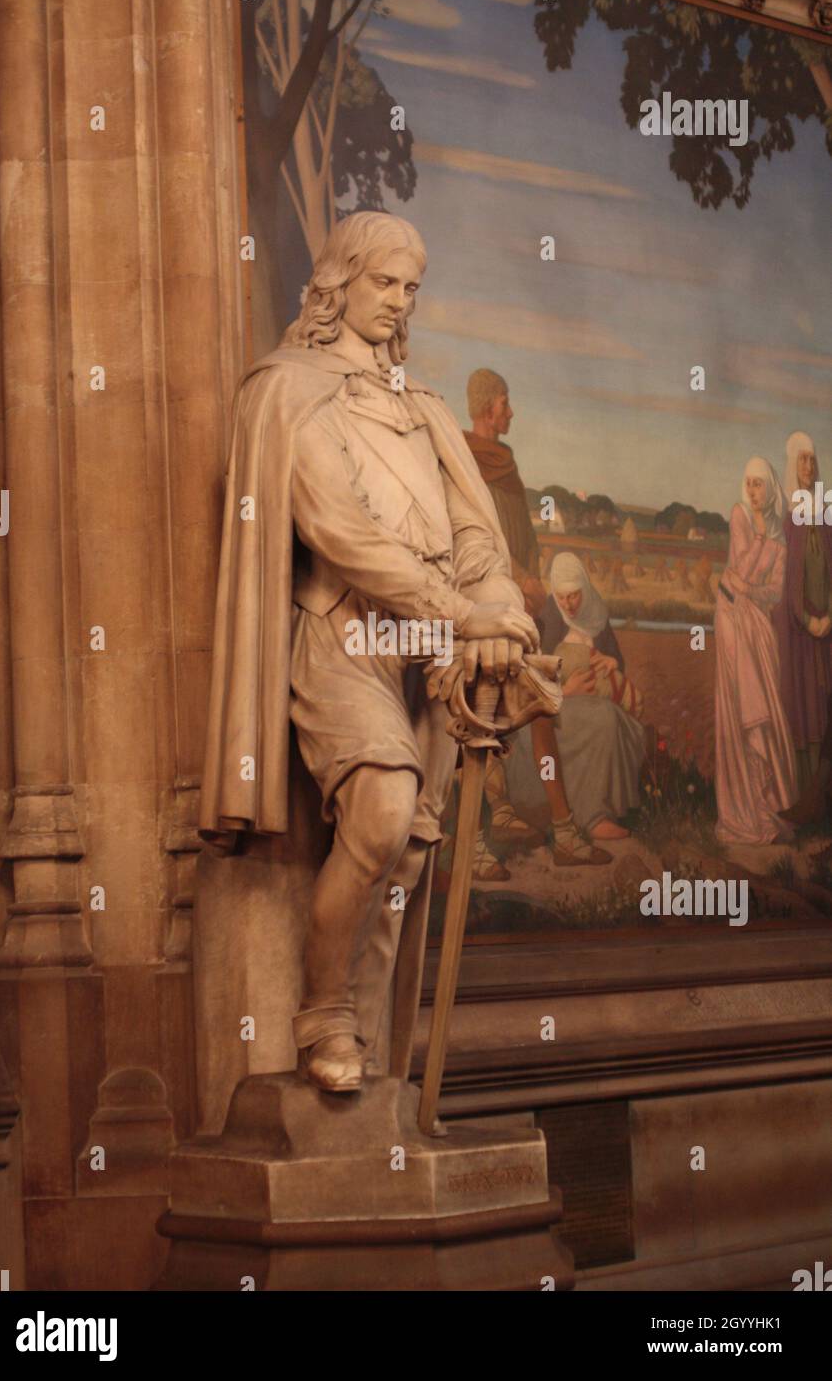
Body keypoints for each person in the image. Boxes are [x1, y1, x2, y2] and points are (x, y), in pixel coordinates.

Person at [198, 213, 540, 1094]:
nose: (399, 301)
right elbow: (343, 534)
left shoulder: (421, 406)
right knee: (382, 813)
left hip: (430, 650)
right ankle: (323, 1017)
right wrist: (464, 612)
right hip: (346, 632)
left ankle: (374, 1062)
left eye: (412, 287)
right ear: (340, 280)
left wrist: (495, 606)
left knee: (412, 854)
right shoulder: (290, 388)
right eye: (385, 281)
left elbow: (477, 534)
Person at [463, 370, 610, 869]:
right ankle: (477, 836)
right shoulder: (464, 463)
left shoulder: (505, 465)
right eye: (505, 403)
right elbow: (475, 538)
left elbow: (520, 537)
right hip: (482, 609)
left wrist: (530, 586)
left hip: (518, 607)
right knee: (476, 721)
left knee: (541, 711)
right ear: (487, 408)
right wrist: (518, 580)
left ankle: (563, 830)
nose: (511, 411)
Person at [714, 457, 796, 845]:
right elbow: (742, 569)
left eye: (759, 484)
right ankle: (737, 814)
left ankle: (760, 807)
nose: (752, 491)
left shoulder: (781, 543)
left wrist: (754, 591)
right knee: (739, 709)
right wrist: (760, 539)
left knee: (761, 708)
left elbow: (774, 593)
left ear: (771, 488)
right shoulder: (740, 517)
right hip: (731, 618)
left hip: (758, 627)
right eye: (748, 483)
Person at [538, 553, 646, 842]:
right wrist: (565, 691)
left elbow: (617, 660)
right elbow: (534, 678)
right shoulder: (548, 617)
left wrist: (611, 663)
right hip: (559, 705)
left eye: (573, 596)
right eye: (561, 598)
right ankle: (592, 816)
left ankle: (609, 809)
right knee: (605, 718)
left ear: (584, 589)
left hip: (593, 699)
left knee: (629, 726)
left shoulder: (597, 611)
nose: (568, 605)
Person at [775, 431, 832, 817]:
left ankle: (822, 799)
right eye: (803, 461)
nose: (809, 468)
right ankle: (800, 798)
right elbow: (786, 578)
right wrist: (806, 618)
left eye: (813, 460)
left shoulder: (827, 514)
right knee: (801, 703)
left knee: (824, 704)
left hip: (826, 628)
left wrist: (828, 617)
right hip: (797, 630)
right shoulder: (787, 518)